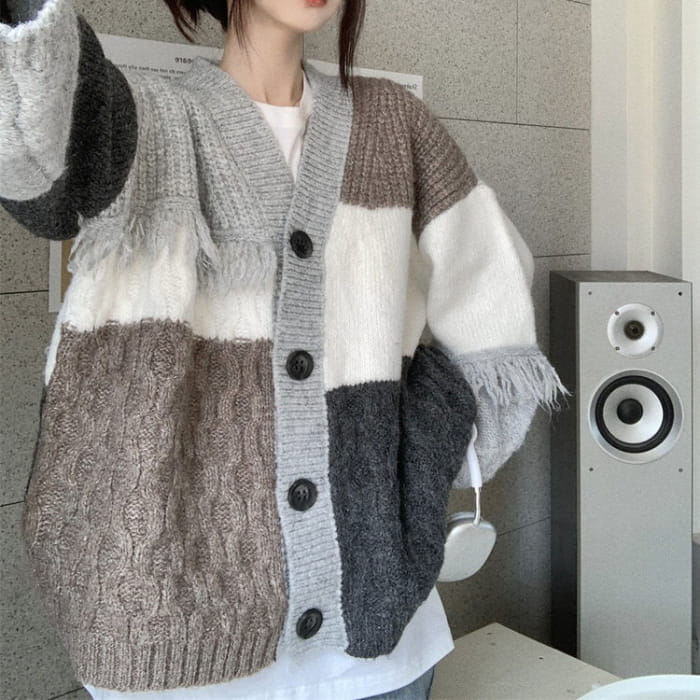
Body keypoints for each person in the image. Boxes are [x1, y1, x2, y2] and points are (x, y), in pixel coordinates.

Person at [0, 0, 566, 698]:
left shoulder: (395, 126)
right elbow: (33, 157)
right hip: (172, 641)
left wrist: (418, 464)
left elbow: (493, 309)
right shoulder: (141, 119)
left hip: (379, 640)